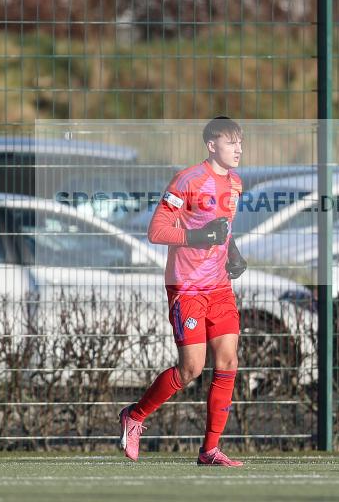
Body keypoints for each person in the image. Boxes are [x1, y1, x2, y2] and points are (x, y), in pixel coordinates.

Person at [119, 116, 248, 467]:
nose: (238, 148)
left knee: (228, 361)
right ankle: (135, 416)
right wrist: (195, 237)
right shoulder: (187, 180)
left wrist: (232, 252)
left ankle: (209, 451)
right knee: (191, 368)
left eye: (240, 141)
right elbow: (156, 231)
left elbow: (224, 229)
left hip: (219, 286)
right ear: (211, 145)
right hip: (187, 286)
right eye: (230, 142)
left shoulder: (235, 183)